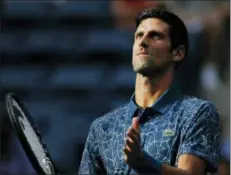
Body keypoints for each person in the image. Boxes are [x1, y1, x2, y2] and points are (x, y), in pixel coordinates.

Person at [78, 8, 220, 174]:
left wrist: (142, 162)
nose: (142, 42)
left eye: (155, 36)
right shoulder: (102, 127)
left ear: (178, 53)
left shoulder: (197, 113)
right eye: (139, 35)